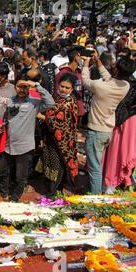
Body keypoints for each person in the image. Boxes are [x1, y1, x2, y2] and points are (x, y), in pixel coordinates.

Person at [82, 53, 134, 194]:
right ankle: (95, 191)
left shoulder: (101, 86)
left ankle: (96, 196)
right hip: (106, 131)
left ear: (116, 69)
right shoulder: (125, 86)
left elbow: (86, 81)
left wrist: (86, 64)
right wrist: (98, 61)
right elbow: (109, 78)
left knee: (94, 167)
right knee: (97, 164)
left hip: (96, 131)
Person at [0, 78, 55, 202]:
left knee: (20, 177)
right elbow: (5, 119)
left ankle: (15, 198)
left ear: (28, 88)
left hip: (24, 147)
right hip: (8, 145)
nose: (22, 90)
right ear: (14, 87)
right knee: (2, 172)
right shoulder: (9, 101)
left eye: (25, 87)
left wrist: (36, 85)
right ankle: (4, 195)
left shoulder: (35, 103)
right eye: (19, 86)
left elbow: (50, 103)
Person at [36, 73, 79, 197]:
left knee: (58, 164)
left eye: (67, 88)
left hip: (62, 141)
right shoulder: (57, 98)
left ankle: (52, 192)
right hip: (51, 137)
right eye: (61, 86)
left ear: (72, 89)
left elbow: (61, 123)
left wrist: (42, 117)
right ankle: (55, 190)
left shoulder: (68, 102)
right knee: (51, 163)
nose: (63, 89)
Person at [103, 84, 136, 193]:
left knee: (116, 155)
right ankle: (119, 183)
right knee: (121, 155)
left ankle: (115, 184)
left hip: (120, 126)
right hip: (125, 127)